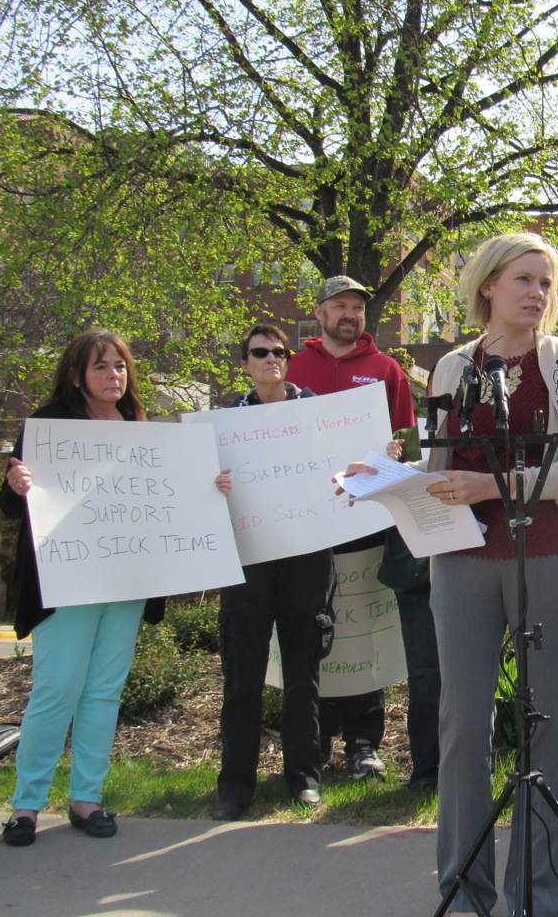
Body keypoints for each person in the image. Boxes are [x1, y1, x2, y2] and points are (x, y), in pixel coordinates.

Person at [378, 231, 558, 915]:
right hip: (462, 562)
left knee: (548, 725)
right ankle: (464, 891)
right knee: (461, 725)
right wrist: (386, 477)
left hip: (548, 558)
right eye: (525, 280)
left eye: (546, 282)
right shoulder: (450, 368)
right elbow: (443, 474)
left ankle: (539, 898)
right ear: (488, 286)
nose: (538, 293)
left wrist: (492, 485)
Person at [0, 330, 212, 846]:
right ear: (76, 375)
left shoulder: (141, 428)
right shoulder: (50, 427)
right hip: (68, 582)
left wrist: (209, 483)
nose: (113, 376)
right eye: (100, 367)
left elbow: (169, 498)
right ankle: (26, 805)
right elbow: (12, 509)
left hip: (126, 581)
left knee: (103, 692)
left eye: (119, 366)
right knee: (56, 690)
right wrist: (15, 486)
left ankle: (86, 798)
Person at [286, 275, 432, 786]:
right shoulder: (292, 367)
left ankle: (365, 742)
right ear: (320, 312)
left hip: (367, 521)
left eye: (357, 308)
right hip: (306, 523)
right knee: (315, 626)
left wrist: (396, 462)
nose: (349, 315)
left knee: (364, 624)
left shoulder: (386, 371)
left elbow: (409, 448)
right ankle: (317, 738)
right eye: (340, 306)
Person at [213, 324, 335, 820]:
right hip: (248, 560)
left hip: (307, 557)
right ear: (244, 363)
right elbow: (195, 488)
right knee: (242, 675)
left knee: (303, 673)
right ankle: (235, 785)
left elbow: (347, 464)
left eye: (279, 352)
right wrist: (211, 483)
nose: (270, 359)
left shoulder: (318, 415)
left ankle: (303, 778)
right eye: (259, 353)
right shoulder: (224, 425)